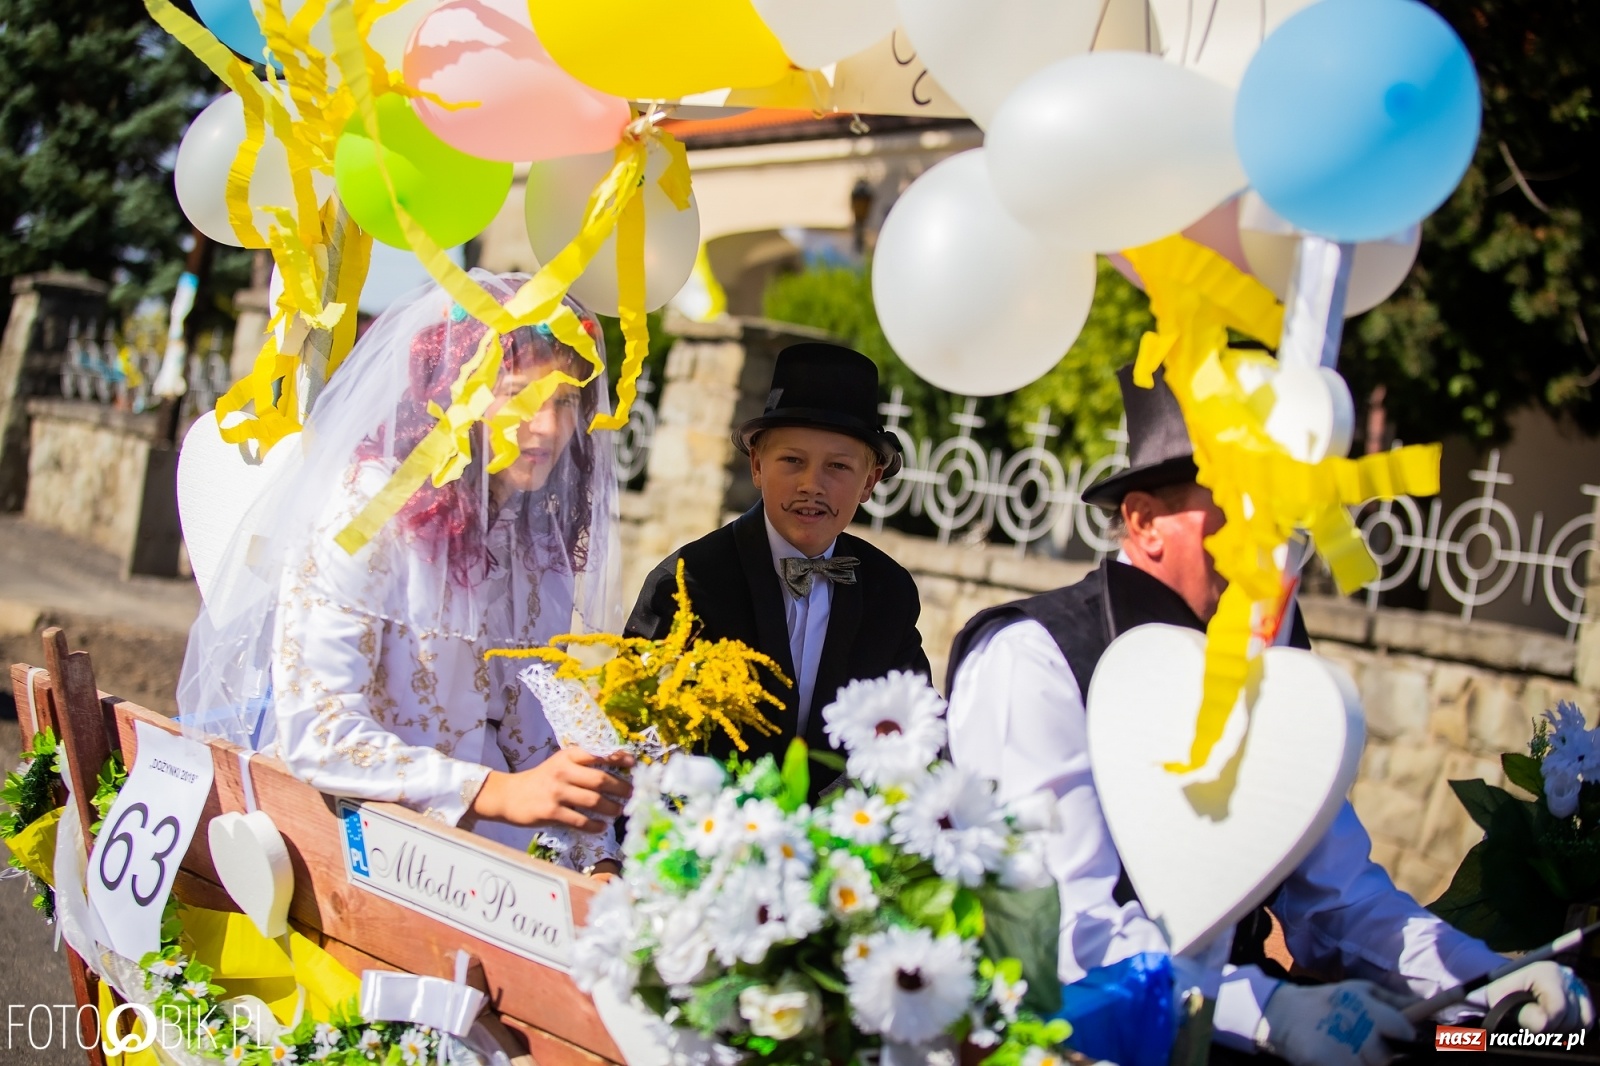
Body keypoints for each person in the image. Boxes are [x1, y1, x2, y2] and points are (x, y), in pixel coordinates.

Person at [945, 365, 1592, 1065]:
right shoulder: (1035, 658)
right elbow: (1068, 932)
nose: (1269, 543)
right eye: (1239, 505)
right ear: (1144, 521)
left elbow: (1339, 900)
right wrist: (1265, 1009)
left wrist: (1482, 981)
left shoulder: (1275, 667)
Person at [177, 273, 632, 872]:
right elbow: (319, 731)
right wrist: (496, 792)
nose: (546, 427)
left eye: (566, 402)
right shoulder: (368, 515)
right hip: (355, 852)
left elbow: (536, 733)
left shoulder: (533, 544)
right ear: (458, 394)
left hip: (490, 867)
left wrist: (598, 856)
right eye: (520, 395)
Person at [624, 342, 930, 776]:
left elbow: (919, 727)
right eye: (792, 460)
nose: (812, 484)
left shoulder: (889, 592)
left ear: (869, 481)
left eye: (838, 467)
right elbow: (636, 726)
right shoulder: (690, 582)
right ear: (756, 465)